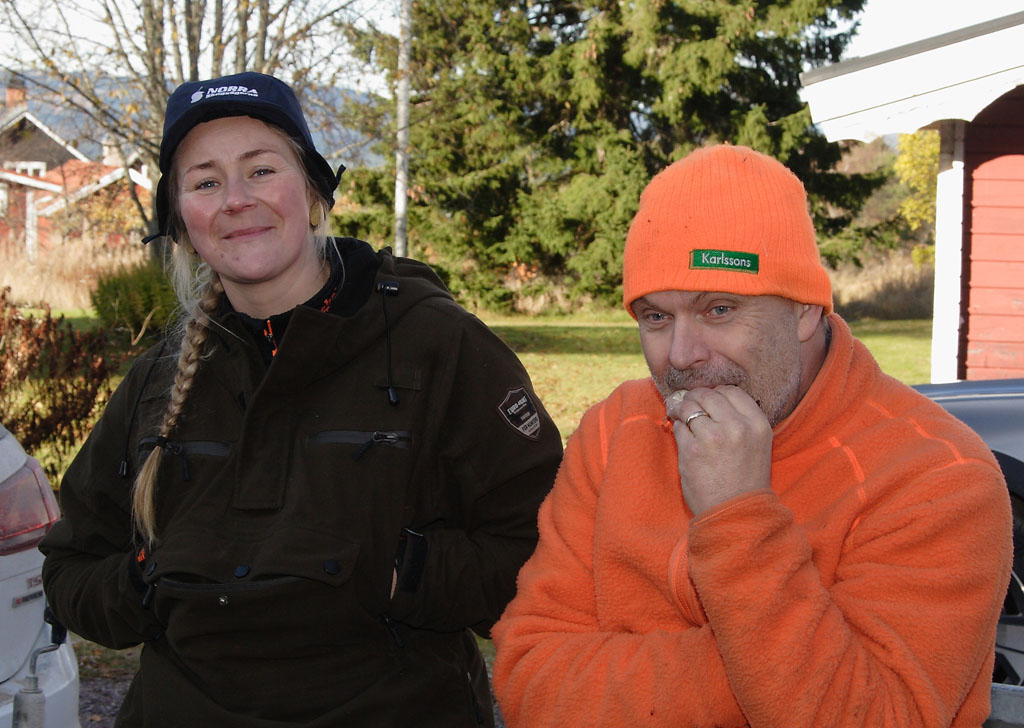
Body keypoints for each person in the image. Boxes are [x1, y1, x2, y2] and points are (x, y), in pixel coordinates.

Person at [39, 71, 563, 727]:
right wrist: (150, 582)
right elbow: (71, 566)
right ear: (180, 222)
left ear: (314, 192)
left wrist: (399, 573)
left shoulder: (437, 346)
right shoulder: (156, 380)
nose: (236, 200)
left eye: (261, 170)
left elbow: (545, 552)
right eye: (205, 182)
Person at [491, 144, 1012, 727]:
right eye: (656, 317)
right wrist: (759, 675)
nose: (682, 356)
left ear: (805, 311)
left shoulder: (938, 476)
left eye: (719, 309)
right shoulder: (616, 430)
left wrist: (737, 514)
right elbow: (529, 678)